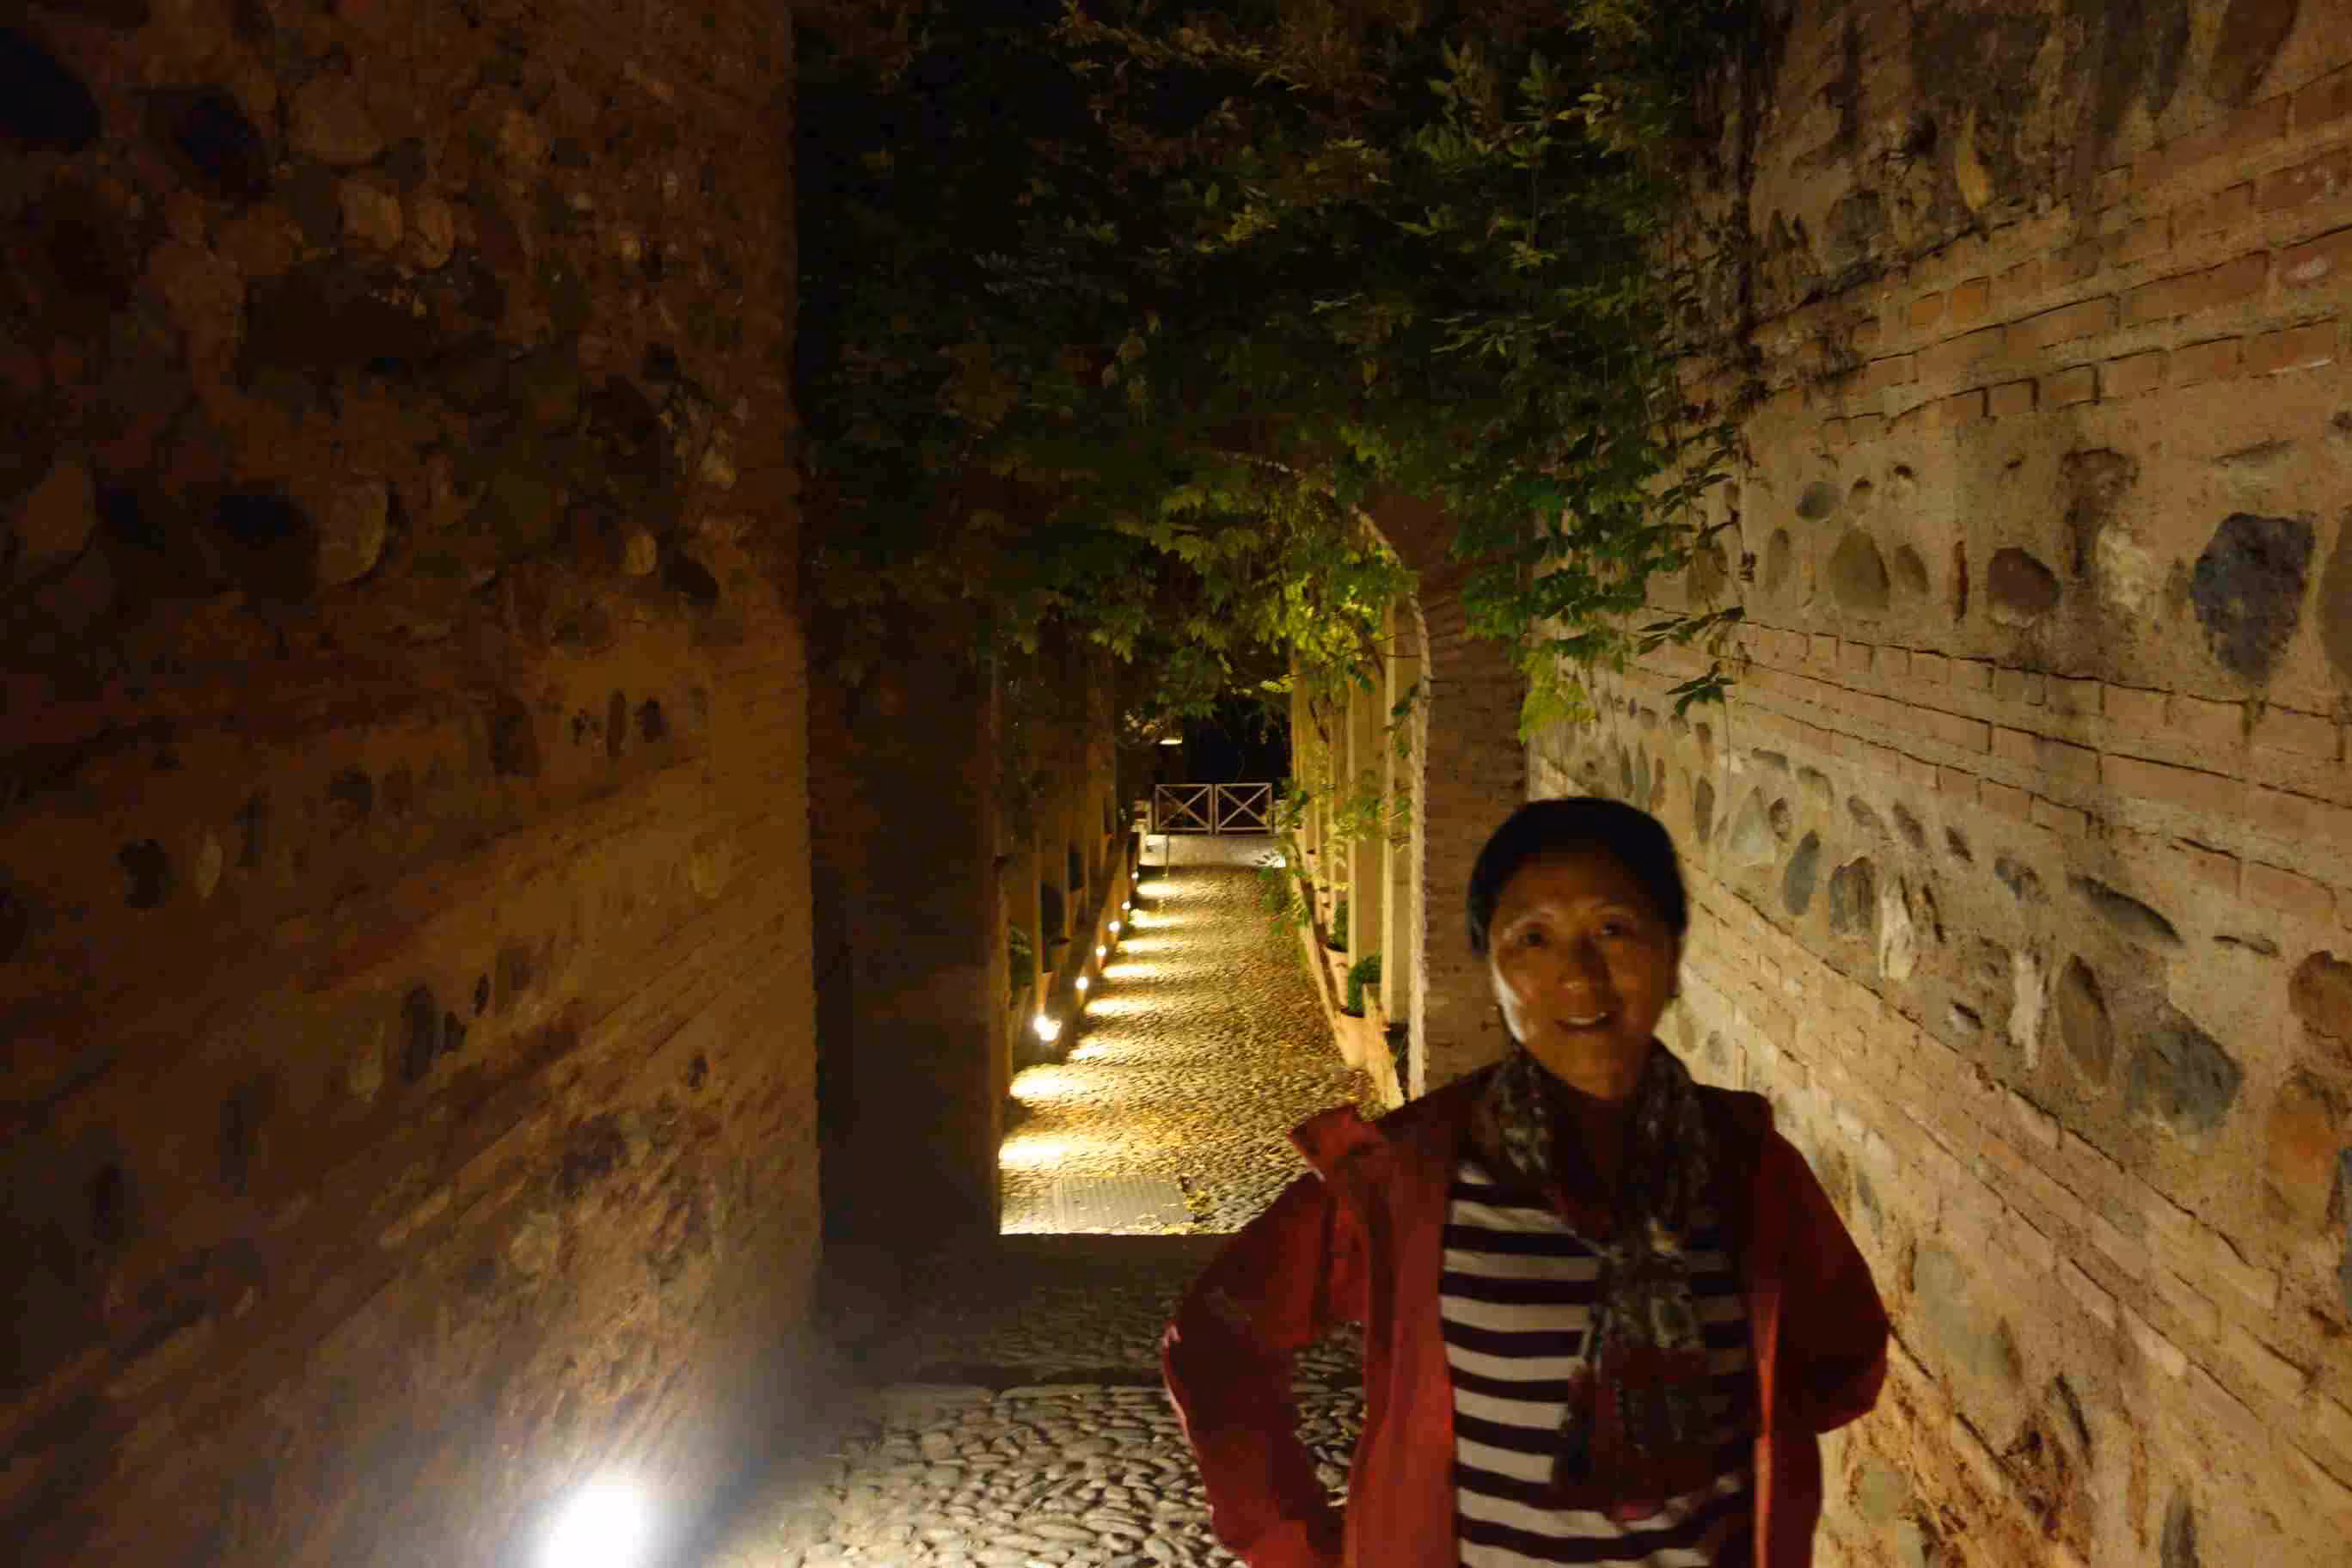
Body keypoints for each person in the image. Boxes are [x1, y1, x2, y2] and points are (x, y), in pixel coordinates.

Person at [1161, 797, 1889, 1568]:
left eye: (1614, 930)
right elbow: (1217, 1337)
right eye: (1532, 939)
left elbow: (1839, 1359)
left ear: (1673, 954)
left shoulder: (1751, 1168)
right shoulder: (1407, 1176)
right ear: (1493, 969)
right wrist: (1299, 1545)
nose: (1578, 975)